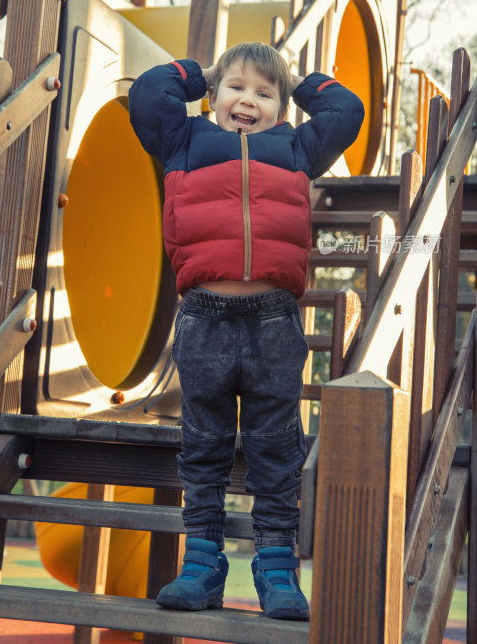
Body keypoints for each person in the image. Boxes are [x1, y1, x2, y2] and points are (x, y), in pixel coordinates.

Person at [128, 42, 364, 620]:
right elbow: (146, 94)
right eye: (235, 88)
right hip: (203, 318)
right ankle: (201, 566)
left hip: (273, 322)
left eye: (265, 93)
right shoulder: (183, 142)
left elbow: (348, 111)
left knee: (276, 448)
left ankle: (277, 571)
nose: (248, 101)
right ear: (213, 97)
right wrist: (198, 73)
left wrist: (299, 80)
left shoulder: (295, 149)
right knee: (203, 446)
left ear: (282, 110)